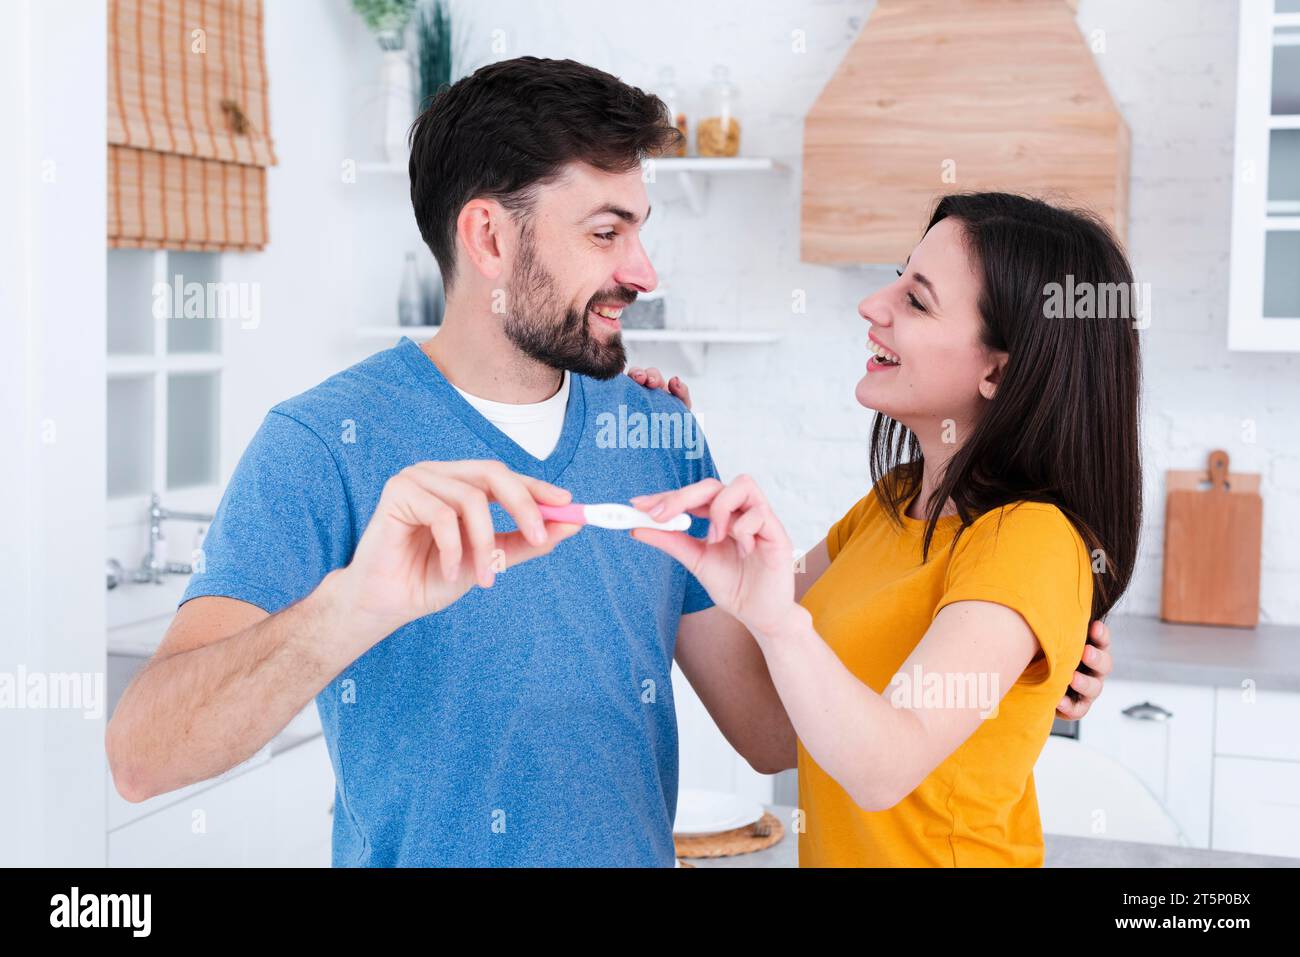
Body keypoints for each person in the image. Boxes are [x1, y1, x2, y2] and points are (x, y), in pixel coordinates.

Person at [106, 57, 1110, 868]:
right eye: (605, 232)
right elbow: (144, 755)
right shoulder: (326, 444)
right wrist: (353, 605)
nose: (643, 271)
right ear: (488, 237)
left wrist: (1016, 662)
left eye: (642, 230)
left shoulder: (658, 433)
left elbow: (768, 732)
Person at [630, 193, 1135, 866]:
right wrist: (669, 483)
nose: (874, 305)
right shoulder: (893, 504)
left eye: (917, 299)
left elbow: (883, 766)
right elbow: (767, 727)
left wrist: (781, 622)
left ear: (997, 370)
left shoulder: (1031, 541)